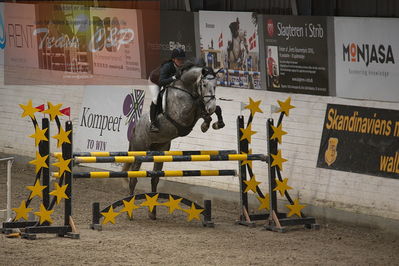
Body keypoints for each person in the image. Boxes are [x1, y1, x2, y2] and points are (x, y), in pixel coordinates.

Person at [148, 48, 186, 132]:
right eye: (179, 59)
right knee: (155, 99)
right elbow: (161, 82)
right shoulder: (167, 66)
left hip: (167, 82)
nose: (181, 61)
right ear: (173, 59)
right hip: (155, 81)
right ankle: (152, 123)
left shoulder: (183, 66)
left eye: (182, 59)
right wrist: (173, 78)